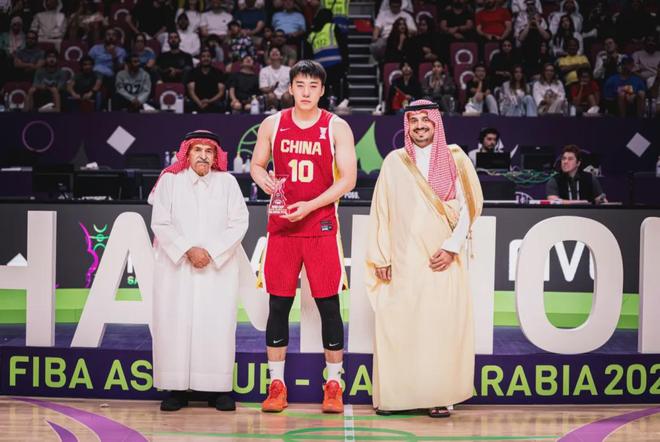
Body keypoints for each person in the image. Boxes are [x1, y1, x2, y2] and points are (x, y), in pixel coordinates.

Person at [250, 60, 357, 414]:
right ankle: (276, 385)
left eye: (313, 85)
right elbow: (256, 165)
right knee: (278, 304)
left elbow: (349, 179)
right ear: (290, 88)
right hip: (283, 227)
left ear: (322, 90)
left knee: (329, 305)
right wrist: (263, 179)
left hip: (321, 226)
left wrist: (310, 205)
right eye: (300, 85)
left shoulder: (336, 126)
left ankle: (333, 384)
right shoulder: (273, 123)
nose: (306, 91)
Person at [366, 99, 482, 418]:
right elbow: (381, 211)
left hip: (442, 260)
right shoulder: (395, 161)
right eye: (413, 120)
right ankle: (396, 398)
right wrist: (381, 257)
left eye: (424, 120)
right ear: (407, 125)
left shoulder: (456, 158)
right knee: (399, 326)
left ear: (435, 123)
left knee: (439, 328)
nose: (419, 126)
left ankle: (439, 396)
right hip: (403, 261)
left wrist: (452, 247)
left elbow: (470, 207)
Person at [148, 130, 254, 412]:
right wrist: (188, 250)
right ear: (187, 153)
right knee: (176, 324)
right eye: (197, 150)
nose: (203, 156)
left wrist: (212, 252)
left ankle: (218, 390)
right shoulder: (170, 181)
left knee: (216, 325)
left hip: (217, 269)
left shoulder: (228, 182)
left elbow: (239, 222)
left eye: (209, 151)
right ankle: (176, 389)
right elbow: (160, 222)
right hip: (178, 268)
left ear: (216, 155)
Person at [307, 8, 347, 104]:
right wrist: (346, 63)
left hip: (320, 69)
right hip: (336, 66)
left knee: (322, 95)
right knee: (340, 93)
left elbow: (309, 55)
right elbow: (343, 46)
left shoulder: (311, 35)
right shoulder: (333, 27)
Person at [186, 47, 226, 112]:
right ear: (200, 59)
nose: (206, 58)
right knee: (188, 105)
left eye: (208, 56)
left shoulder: (218, 73)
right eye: (203, 56)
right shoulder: (192, 72)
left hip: (213, 101)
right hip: (197, 101)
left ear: (211, 59)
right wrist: (199, 103)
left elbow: (221, 92)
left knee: (221, 106)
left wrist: (209, 101)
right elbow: (191, 92)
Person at [259, 46, 292, 110]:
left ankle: (286, 112)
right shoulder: (264, 70)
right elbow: (263, 88)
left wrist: (288, 91)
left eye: (277, 51)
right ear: (269, 57)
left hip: (286, 96)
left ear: (281, 56)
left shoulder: (288, 69)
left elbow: (293, 85)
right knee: (271, 96)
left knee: (286, 96)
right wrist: (271, 89)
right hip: (271, 96)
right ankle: (272, 111)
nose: (274, 52)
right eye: (272, 51)